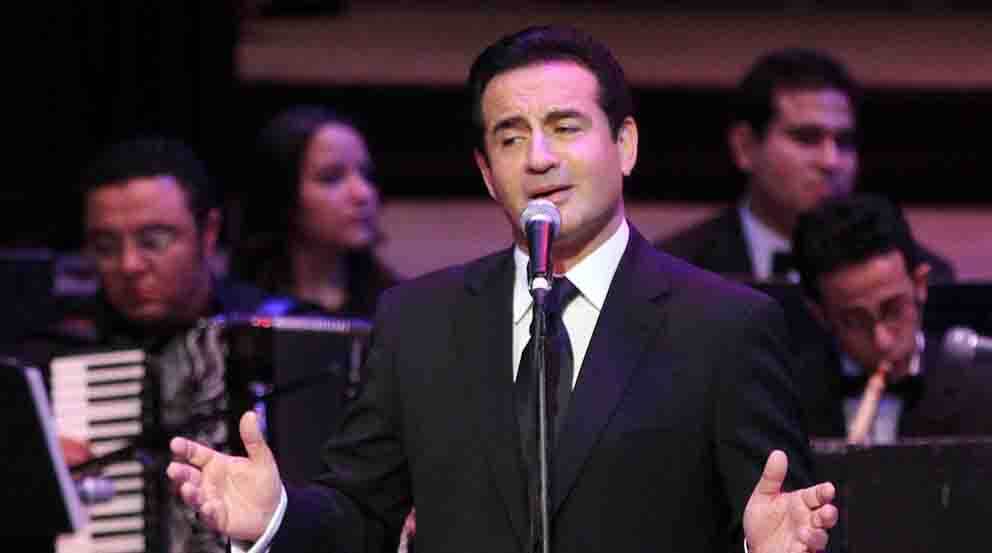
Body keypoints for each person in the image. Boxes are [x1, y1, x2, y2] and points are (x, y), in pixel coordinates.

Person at [167, 26, 838, 553]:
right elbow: (361, 513)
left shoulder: (724, 326)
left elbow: (781, 518)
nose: (539, 158)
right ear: (488, 173)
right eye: (511, 138)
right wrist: (276, 517)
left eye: (566, 128)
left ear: (625, 144)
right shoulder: (419, 322)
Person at [18, 137, 276, 553]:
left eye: (153, 240)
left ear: (209, 233)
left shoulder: (273, 333)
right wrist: (35, 477)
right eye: (105, 247)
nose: (129, 265)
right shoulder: (55, 354)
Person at [655, 48, 954, 284]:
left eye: (844, 142)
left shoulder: (915, 274)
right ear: (745, 147)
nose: (831, 161)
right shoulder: (671, 271)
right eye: (807, 138)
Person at [792, 194, 992, 444]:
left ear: (920, 284)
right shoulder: (790, 396)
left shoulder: (981, 389)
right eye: (855, 321)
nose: (882, 341)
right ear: (820, 315)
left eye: (893, 309)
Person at [230, 105, 399, 318]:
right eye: (332, 178)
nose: (363, 193)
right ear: (282, 193)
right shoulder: (237, 310)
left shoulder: (398, 306)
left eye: (366, 174)